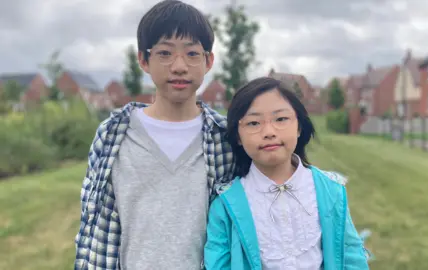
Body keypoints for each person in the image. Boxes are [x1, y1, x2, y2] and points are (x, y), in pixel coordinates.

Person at [74, 1, 235, 269]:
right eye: (165, 53)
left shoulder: (226, 140)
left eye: (192, 54)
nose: (179, 66)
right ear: (143, 60)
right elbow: (95, 226)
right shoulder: (113, 135)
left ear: (208, 61)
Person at [204, 77, 370, 270]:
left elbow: (352, 258)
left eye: (281, 119)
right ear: (238, 136)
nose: (269, 132)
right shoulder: (225, 205)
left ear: (299, 126)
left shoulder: (331, 192)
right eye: (253, 123)